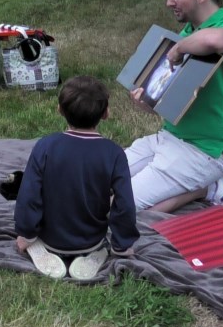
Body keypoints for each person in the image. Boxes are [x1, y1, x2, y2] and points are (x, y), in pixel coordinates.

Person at [125, 0, 223, 212]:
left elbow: (215, 41)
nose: (169, 2)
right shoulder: (187, 33)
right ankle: (206, 188)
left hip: (204, 151)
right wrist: (147, 102)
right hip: (168, 138)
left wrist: (179, 48)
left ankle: (209, 187)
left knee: (123, 208)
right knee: (100, 181)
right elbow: (172, 100)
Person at [15, 76, 138, 280]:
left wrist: (25, 233)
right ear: (106, 113)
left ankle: (36, 245)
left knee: (35, 232)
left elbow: (29, 194)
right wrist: (123, 244)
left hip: (49, 238)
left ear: (60, 110)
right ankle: (100, 251)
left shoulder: (45, 146)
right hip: (91, 240)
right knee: (104, 232)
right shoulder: (114, 153)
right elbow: (124, 204)